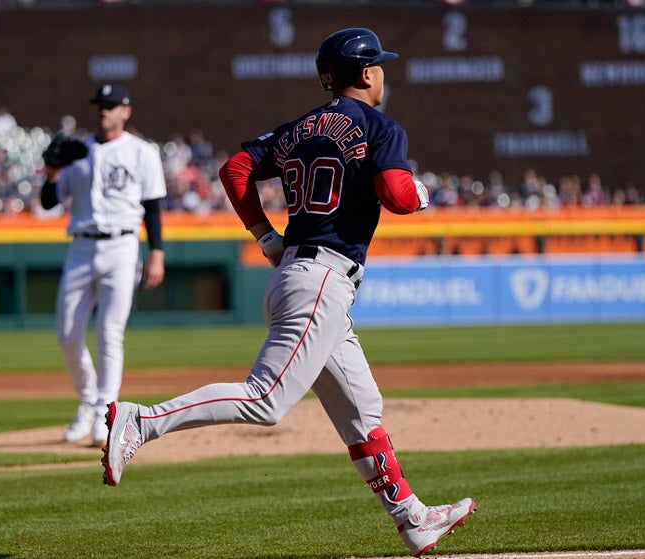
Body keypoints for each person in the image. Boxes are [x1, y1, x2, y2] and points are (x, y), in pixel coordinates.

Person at [100, 28, 475, 557]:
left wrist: (264, 234)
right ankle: (143, 420)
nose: (384, 73)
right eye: (381, 66)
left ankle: (412, 519)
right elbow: (396, 195)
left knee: (364, 410)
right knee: (266, 401)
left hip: (301, 277)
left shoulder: (300, 127)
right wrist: (420, 193)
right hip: (322, 282)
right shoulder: (380, 126)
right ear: (367, 74)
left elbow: (236, 169)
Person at [40, 82, 167, 447]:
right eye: (100, 105)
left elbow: (153, 207)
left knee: (110, 333)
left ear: (126, 111)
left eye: (111, 105)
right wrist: (50, 172)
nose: (104, 111)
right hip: (81, 246)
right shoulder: (78, 153)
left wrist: (156, 251)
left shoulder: (141, 151)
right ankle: (87, 402)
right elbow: (50, 201)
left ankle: (104, 413)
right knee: (67, 333)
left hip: (123, 246)